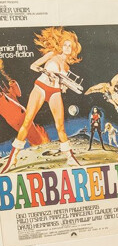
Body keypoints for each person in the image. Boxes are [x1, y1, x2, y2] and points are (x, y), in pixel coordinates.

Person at [0, 27, 82, 174]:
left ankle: (70, 157)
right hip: (41, 87)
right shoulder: (52, 54)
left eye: (70, 46)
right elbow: (33, 66)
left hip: (55, 92)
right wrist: (45, 72)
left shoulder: (67, 66)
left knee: (60, 126)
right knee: (27, 121)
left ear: (74, 48)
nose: (67, 48)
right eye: (65, 45)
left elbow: (62, 83)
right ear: (61, 45)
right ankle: (14, 157)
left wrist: (63, 87)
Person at [0, 59, 50, 147]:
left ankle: (43, 148)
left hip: (23, 115)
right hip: (16, 118)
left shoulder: (6, 90)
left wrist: (12, 83)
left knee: (37, 136)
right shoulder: (2, 96)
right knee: (36, 139)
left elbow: (18, 93)